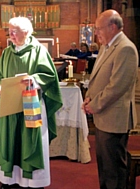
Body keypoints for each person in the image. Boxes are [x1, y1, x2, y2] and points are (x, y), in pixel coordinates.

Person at [0, 17, 62, 189]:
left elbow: (49, 75)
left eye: (15, 32)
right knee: (10, 139)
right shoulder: (8, 52)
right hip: (10, 106)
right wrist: (0, 87)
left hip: (31, 105)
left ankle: (32, 182)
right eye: (9, 31)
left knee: (30, 141)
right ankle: (10, 181)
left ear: (27, 32)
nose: (11, 35)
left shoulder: (39, 51)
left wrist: (35, 80)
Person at [82, 9, 138, 189]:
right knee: (105, 167)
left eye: (98, 28)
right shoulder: (108, 46)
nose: (96, 32)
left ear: (112, 27)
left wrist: (94, 106)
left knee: (114, 169)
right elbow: (97, 78)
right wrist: (88, 98)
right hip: (103, 117)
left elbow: (117, 87)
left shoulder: (125, 48)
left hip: (114, 118)